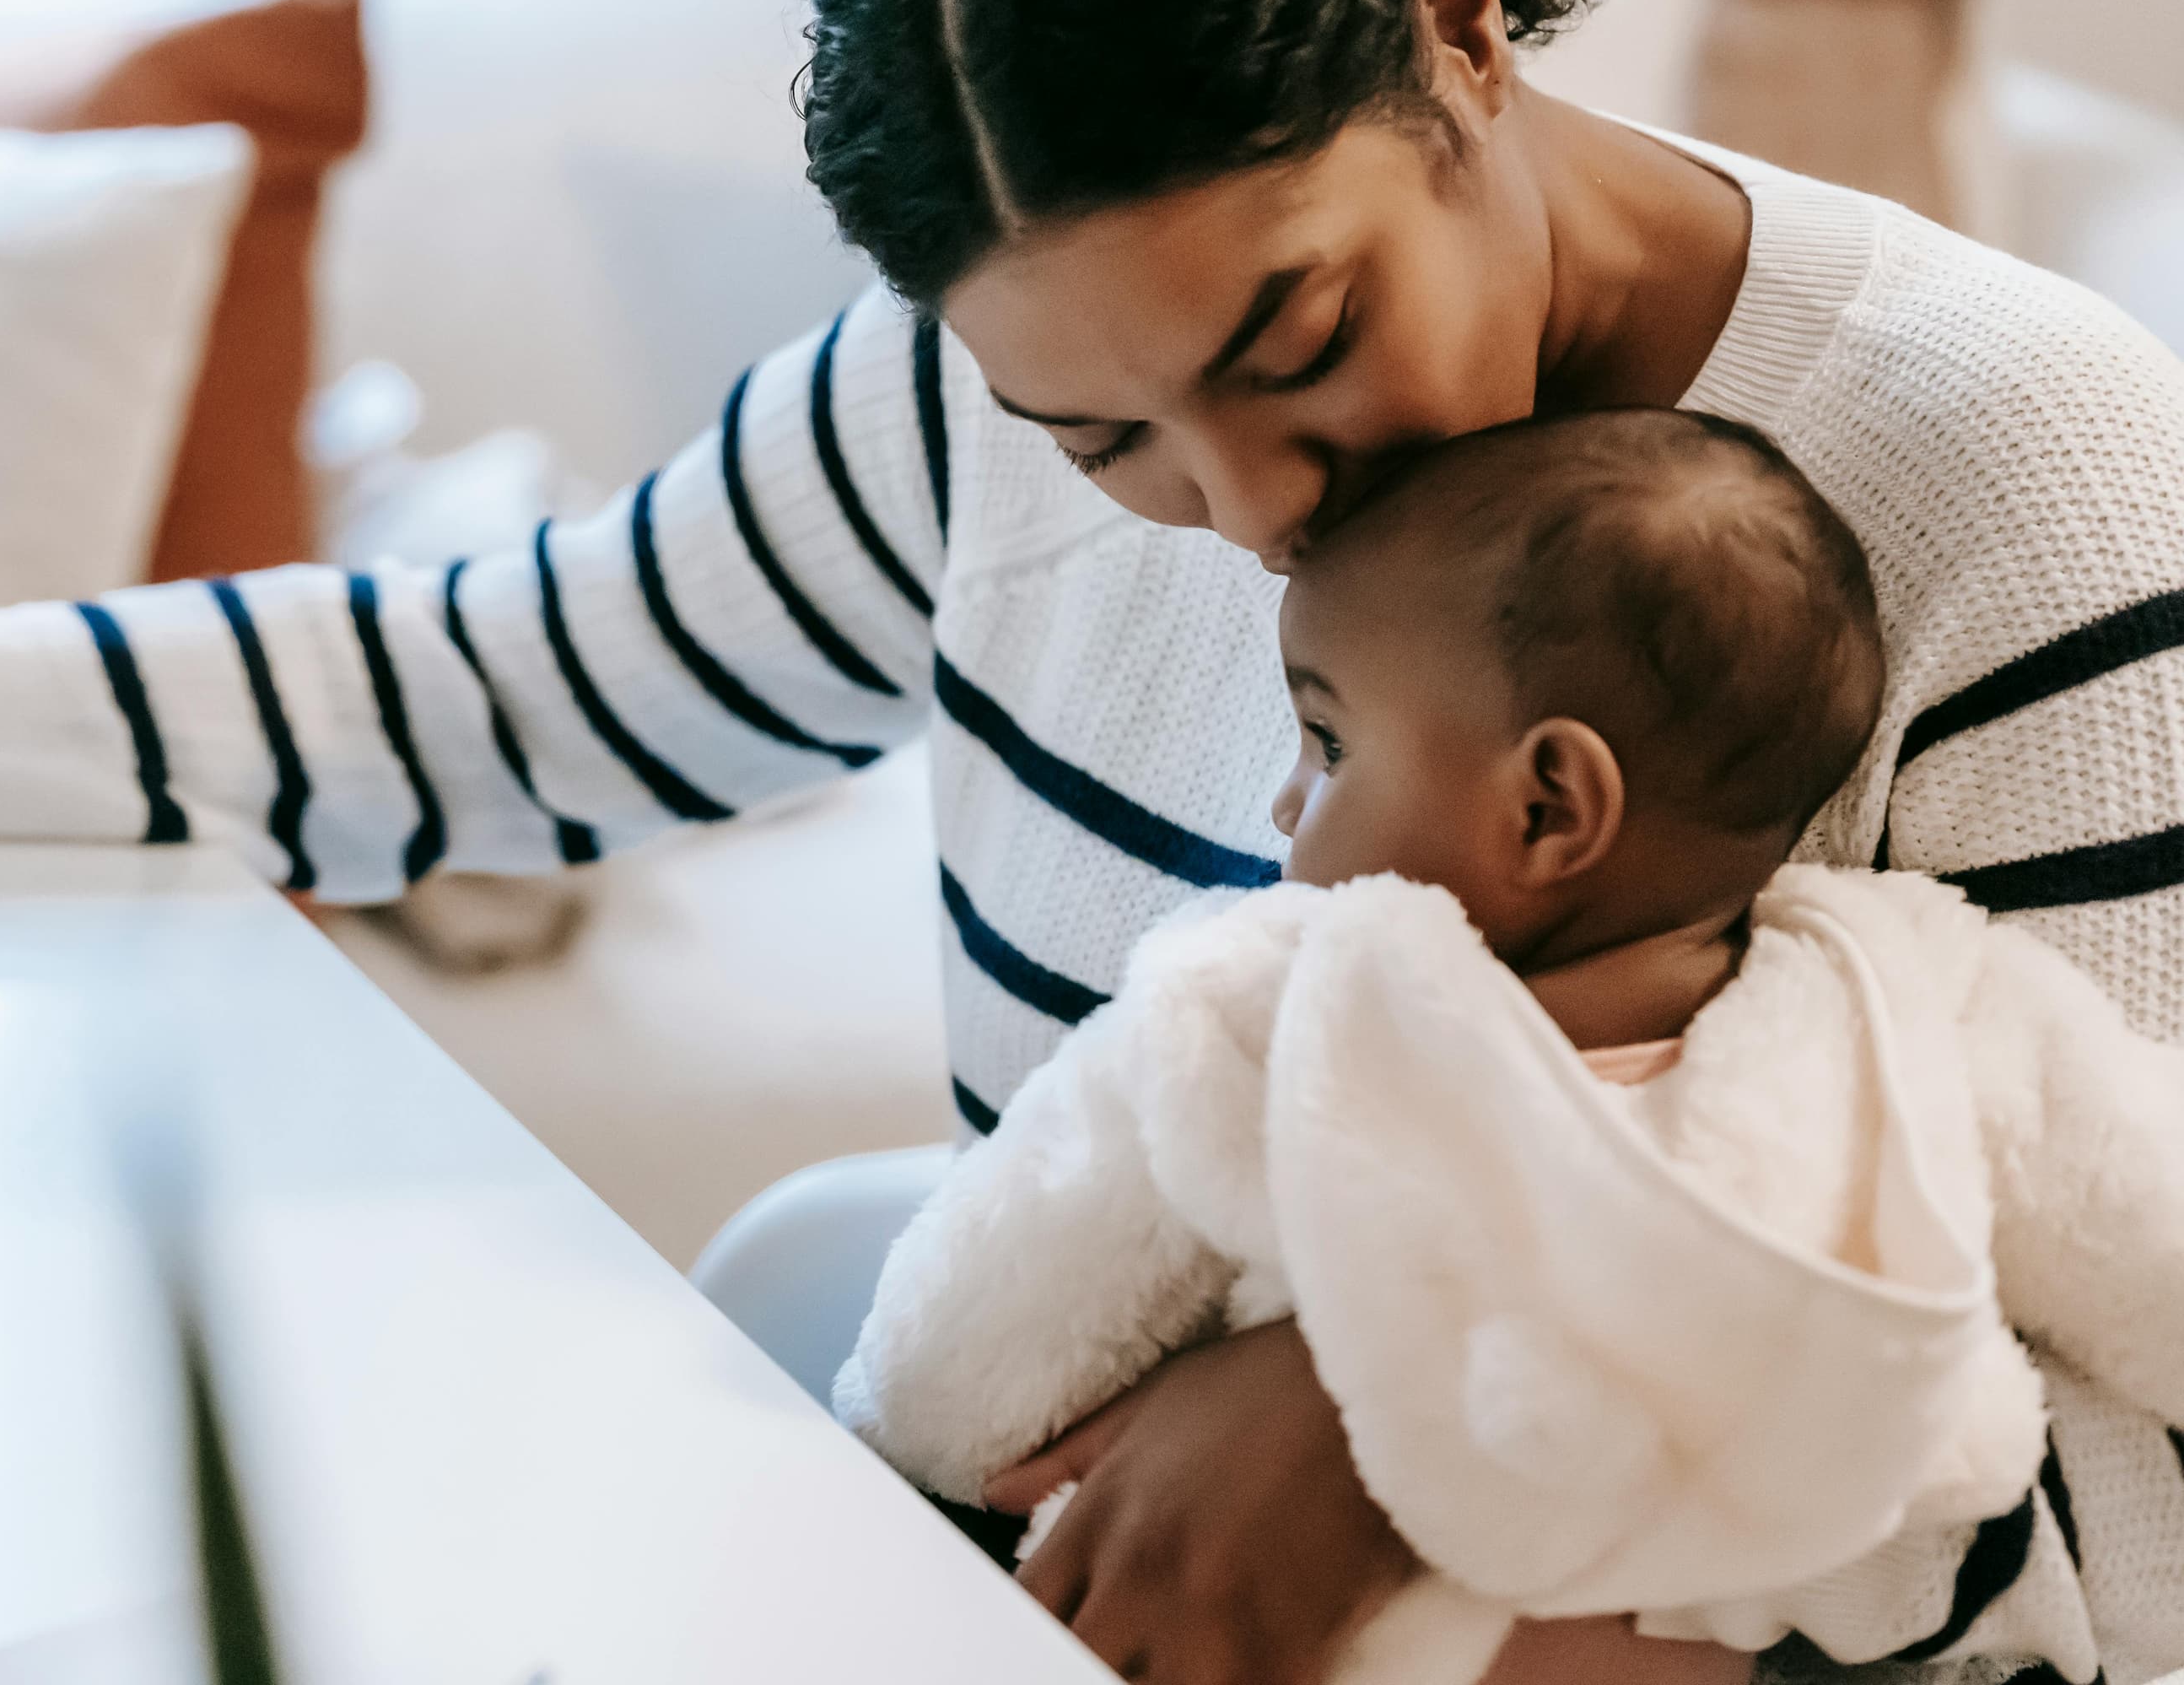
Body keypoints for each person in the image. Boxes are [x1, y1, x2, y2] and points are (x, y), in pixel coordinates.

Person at [0, 0, 2184, 1685]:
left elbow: (2137, 1513)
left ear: (1460, 32)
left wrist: (1399, 1426)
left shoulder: (2014, 479)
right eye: (1103, 442)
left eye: (1293, 346)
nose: (1241, 516)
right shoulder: (962, 417)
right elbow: (494, 700)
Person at [840, 408, 2184, 1685]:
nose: (1285, 797)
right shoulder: (1937, 1004)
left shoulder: (1281, 1008)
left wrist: (895, 1437)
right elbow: (2150, 1251)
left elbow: (965, 1356)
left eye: (1328, 741)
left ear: (1550, 805)